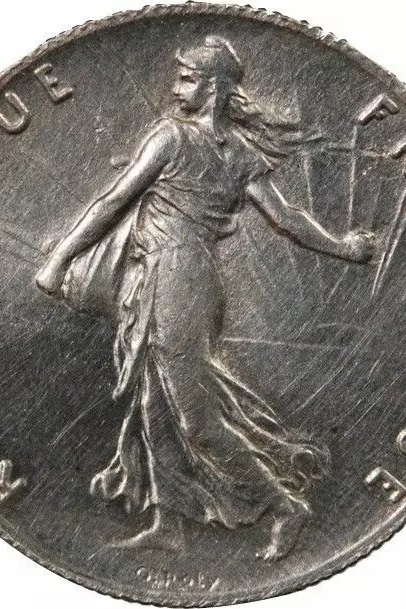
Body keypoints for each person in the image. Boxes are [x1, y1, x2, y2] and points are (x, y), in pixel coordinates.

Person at [36, 36, 374, 560]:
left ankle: (284, 505)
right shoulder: (240, 152)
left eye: (187, 78)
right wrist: (343, 247)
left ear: (214, 87)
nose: (177, 87)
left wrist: (59, 259)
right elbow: (287, 219)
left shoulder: (172, 137)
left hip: (173, 277)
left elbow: (114, 199)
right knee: (155, 402)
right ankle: (168, 522)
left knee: (195, 416)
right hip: (183, 277)